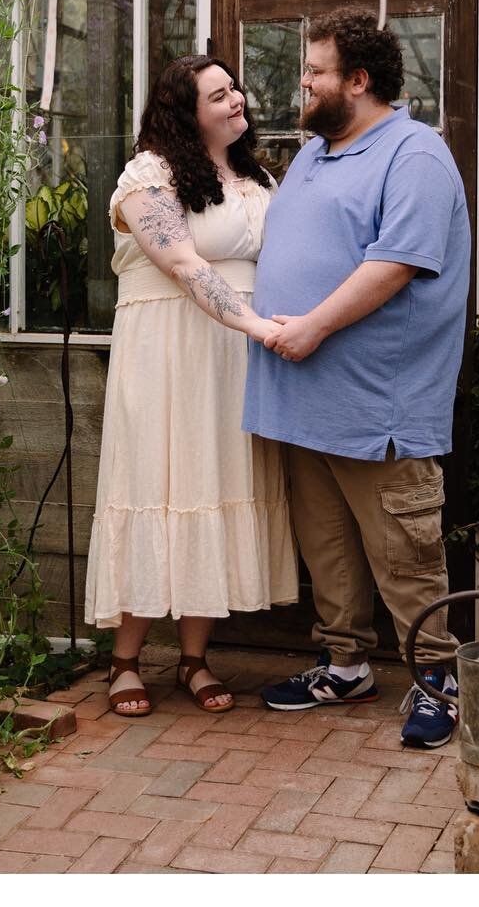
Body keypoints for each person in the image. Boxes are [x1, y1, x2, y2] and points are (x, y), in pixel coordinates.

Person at [244, 7, 471, 748]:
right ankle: (346, 666)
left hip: (379, 405)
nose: (301, 85)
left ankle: (440, 680)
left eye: (314, 73)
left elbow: (396, 263)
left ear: (359, 80)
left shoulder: (415, 155)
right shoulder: (315, 153)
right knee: (328, 549)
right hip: (302, 398)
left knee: (405, 553)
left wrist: (310, 326)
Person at [84, 55, 298, 717]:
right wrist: (259, 326)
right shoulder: (147, 176)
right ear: (186, 112)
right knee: (154, 482)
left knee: (213, 481)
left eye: (235, 89)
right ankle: (125, 660)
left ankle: (194, 660)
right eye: (218, 95)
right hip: (168, 348)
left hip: (232, 353)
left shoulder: (256, 178)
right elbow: (181, 262)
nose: (236, 100)